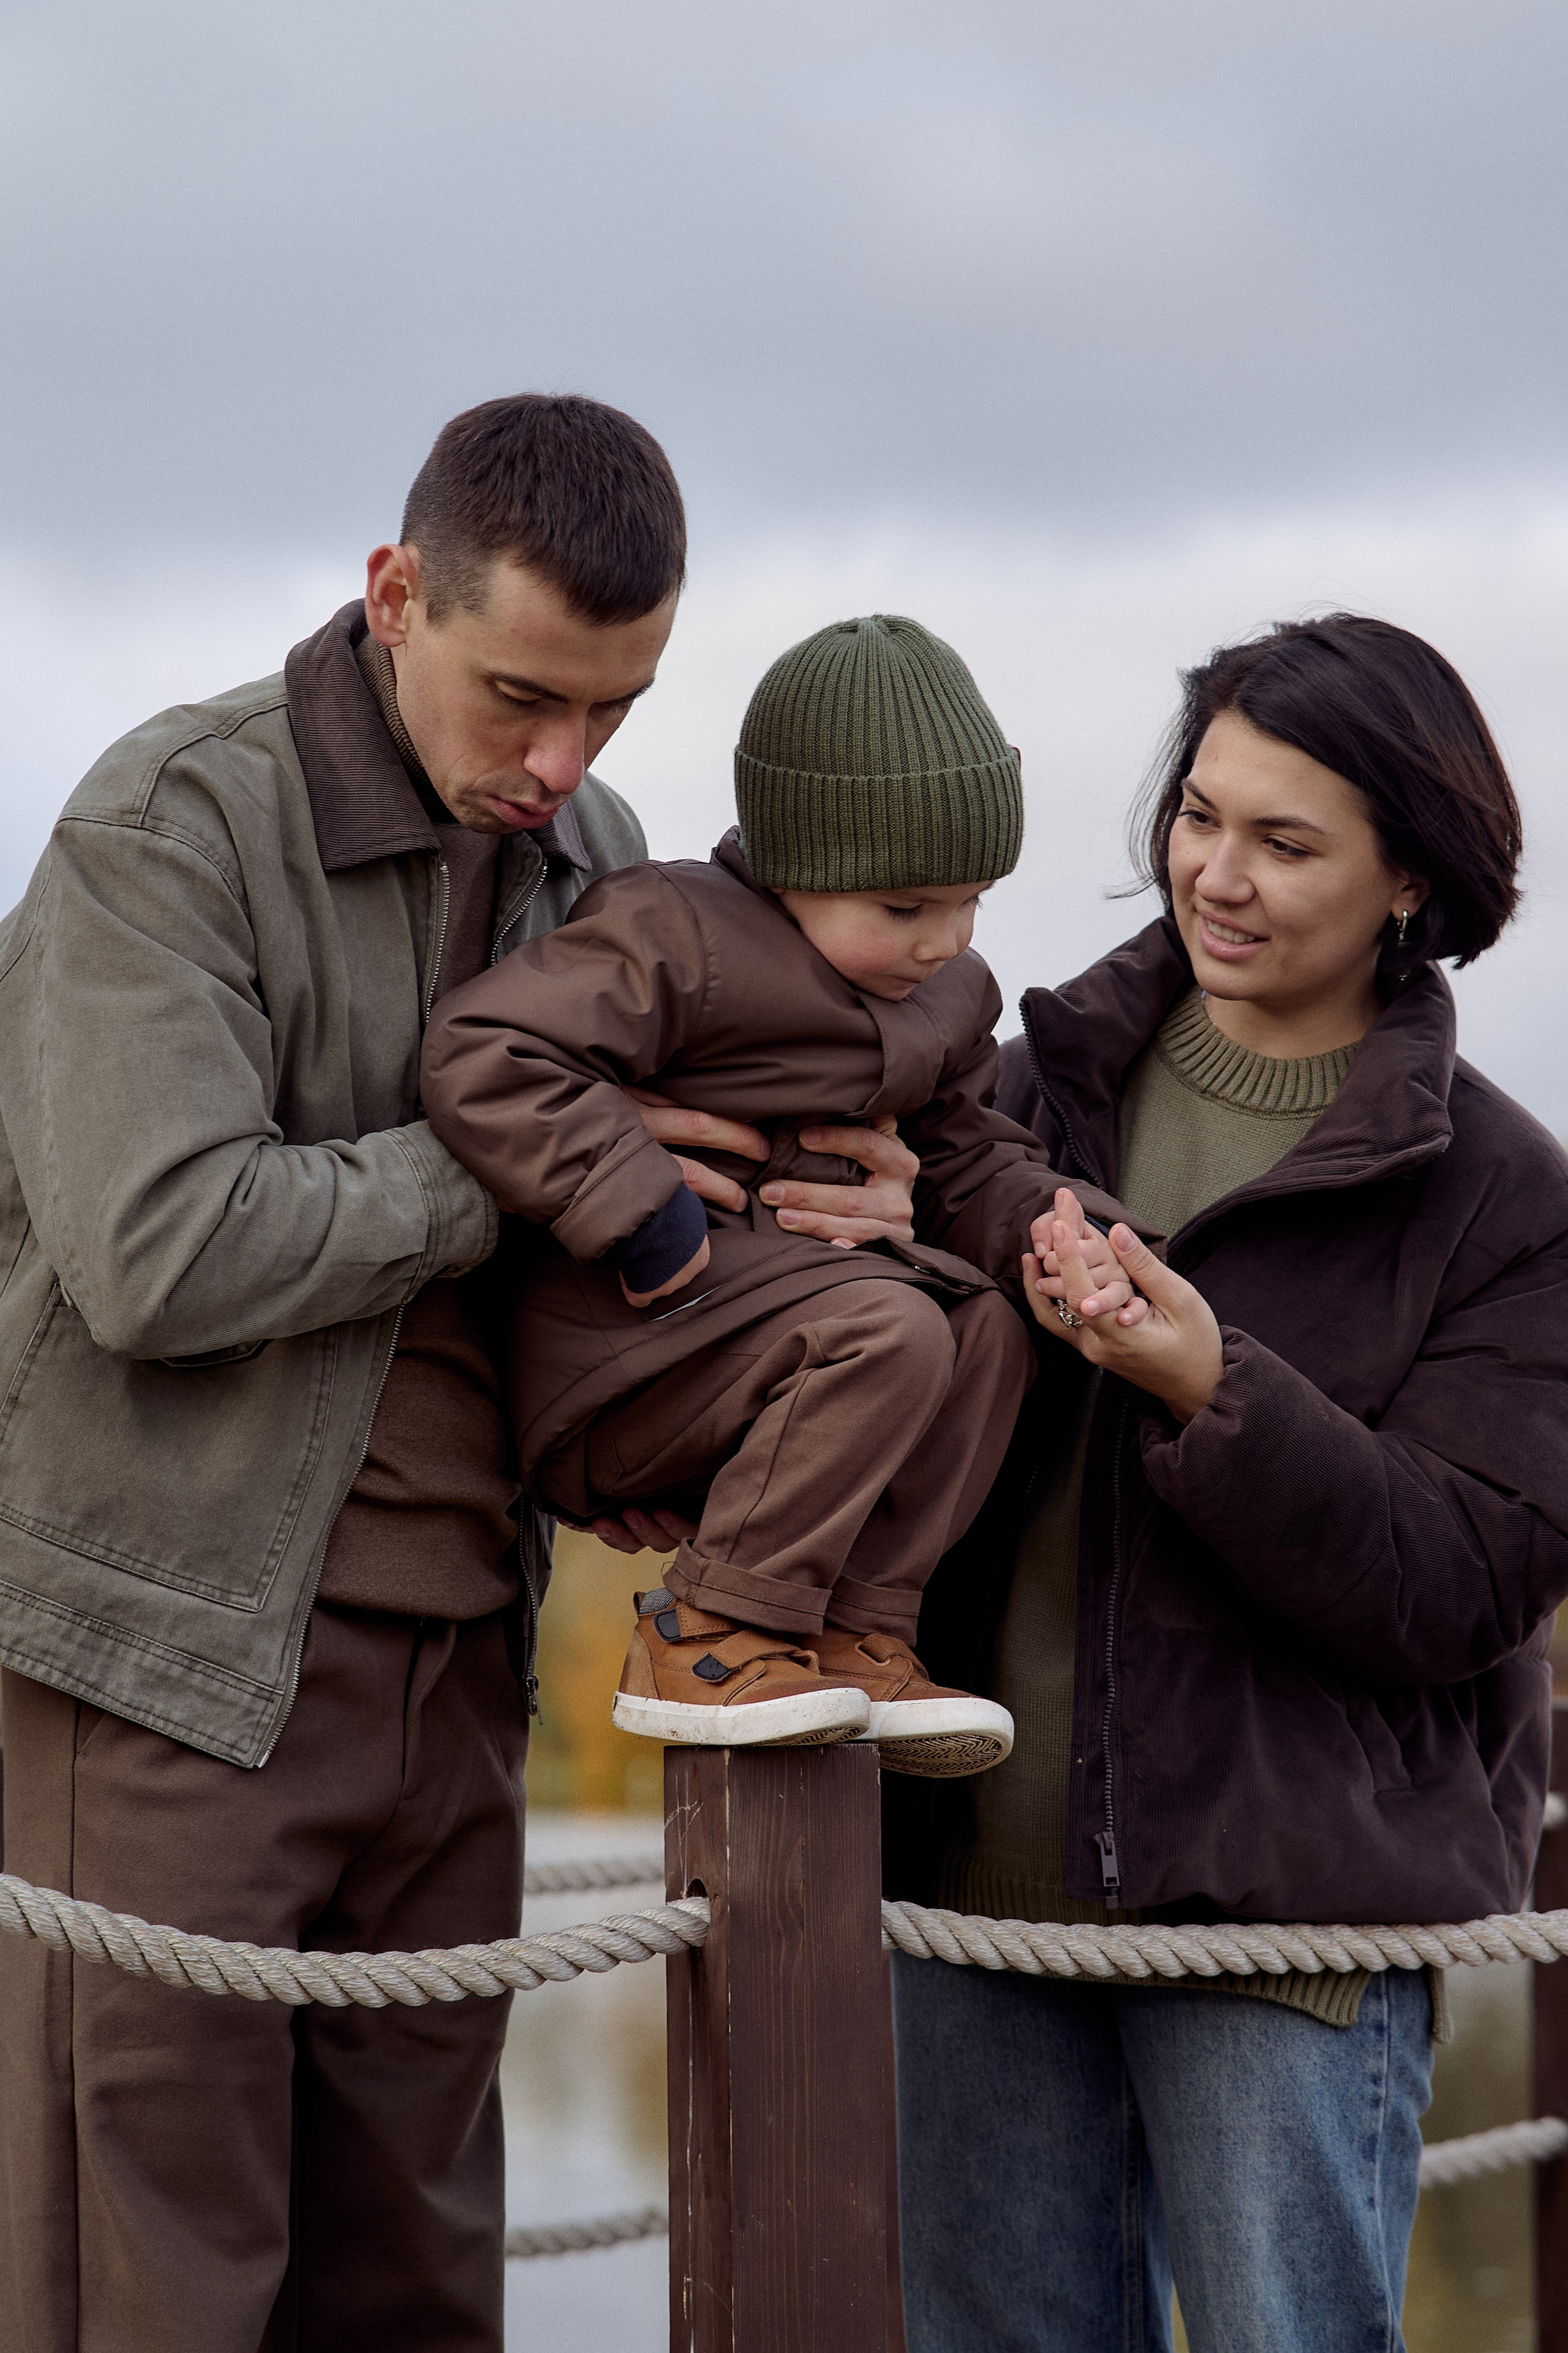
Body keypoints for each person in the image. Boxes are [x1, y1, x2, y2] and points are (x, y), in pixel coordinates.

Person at [0, 394, 921, 2353]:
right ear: (393, 591)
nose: (564, 762)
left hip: (466, 1669)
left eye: (616, 708)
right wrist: (524, 1168)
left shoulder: (598, 850)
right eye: (521, 696)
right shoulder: (162, 828)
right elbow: (158, 1248)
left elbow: (695, 1167)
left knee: (420, 2296)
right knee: (152, 2297)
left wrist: (855, 1209)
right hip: (161, 1673)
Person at [885, 615, 1568, 2353]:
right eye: (1201, 815)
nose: (1218, 873)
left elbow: (1470, 1575)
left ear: (1413, 876)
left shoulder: (1503, 1193)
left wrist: (1212, 1383)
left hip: (1290, 1928)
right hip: (973, 1898)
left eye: (1286, 839)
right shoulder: (1030, 1097)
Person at [421, 615, 1137, 1772]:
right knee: (895, 1328)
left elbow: (964, 1157)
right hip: (629, 1337)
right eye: (906, 908)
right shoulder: (674, 933)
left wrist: (1064, 1233)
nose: (943, 941)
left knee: (989, 1333)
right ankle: (708, 1633)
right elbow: (486, 1050)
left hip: (786, 1350)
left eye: (971, 903)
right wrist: (633, 1197)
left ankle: (858, 1630)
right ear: (802, 860)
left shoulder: (944, 995)